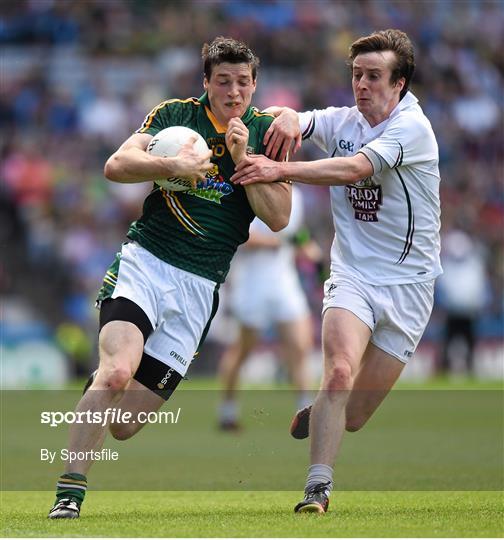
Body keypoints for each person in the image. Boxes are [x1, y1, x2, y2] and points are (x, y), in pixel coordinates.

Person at [47, 36, 292, 519]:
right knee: (117, 371)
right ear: (206, 83)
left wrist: (244, 162)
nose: (234, 91)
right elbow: (116, 164)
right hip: (146, 263)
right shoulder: (175, 116)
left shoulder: (267, 133)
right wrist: (171, 165)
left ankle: (96, 397)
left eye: (243, 82)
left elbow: (280, 218)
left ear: (255, 84)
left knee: (124, 426)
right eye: (223, 81)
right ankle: (68, 495)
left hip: (200, 288)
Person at [231, 29, 442, 514]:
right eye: (356, 75)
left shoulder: (413, 129)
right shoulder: (342, 120)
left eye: (373, 76)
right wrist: (282, 119)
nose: (361, 85)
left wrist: (278, 170)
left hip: (410, 287)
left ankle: (327, 407)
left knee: (355, 415)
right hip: (353, 277)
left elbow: (353, 170)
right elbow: (295, 121)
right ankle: (317, 490)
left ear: (400, 84)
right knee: (340, 370)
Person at [218, 185, 316, 431]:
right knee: (242, 351)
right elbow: (241, 235)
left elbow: (297, 232)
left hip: (284, 280)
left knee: (299, 347)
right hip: (252, 282)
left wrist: (306, 247)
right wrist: (278, 241)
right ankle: (227, 412)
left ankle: (306, 412)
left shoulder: (297, 194)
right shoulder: (245, 191)